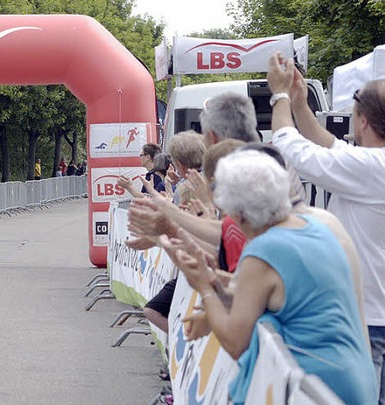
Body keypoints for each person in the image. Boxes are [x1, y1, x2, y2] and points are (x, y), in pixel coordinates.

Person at [162, 150, 376, 404]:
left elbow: (235, 341)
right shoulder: (317, 227)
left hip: (314, 384)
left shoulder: (264, 250)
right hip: (356, 376)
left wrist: (204, 289)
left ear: (240, 214)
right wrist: (211, 303)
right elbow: (273, 295)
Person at [267, 52, 385, 402]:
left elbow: (292, 149)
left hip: (371, 318)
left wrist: (280, 96)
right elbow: (330, 146)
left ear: (362, 120)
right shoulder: (371, 164)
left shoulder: (370, 167)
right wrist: (301, 105)